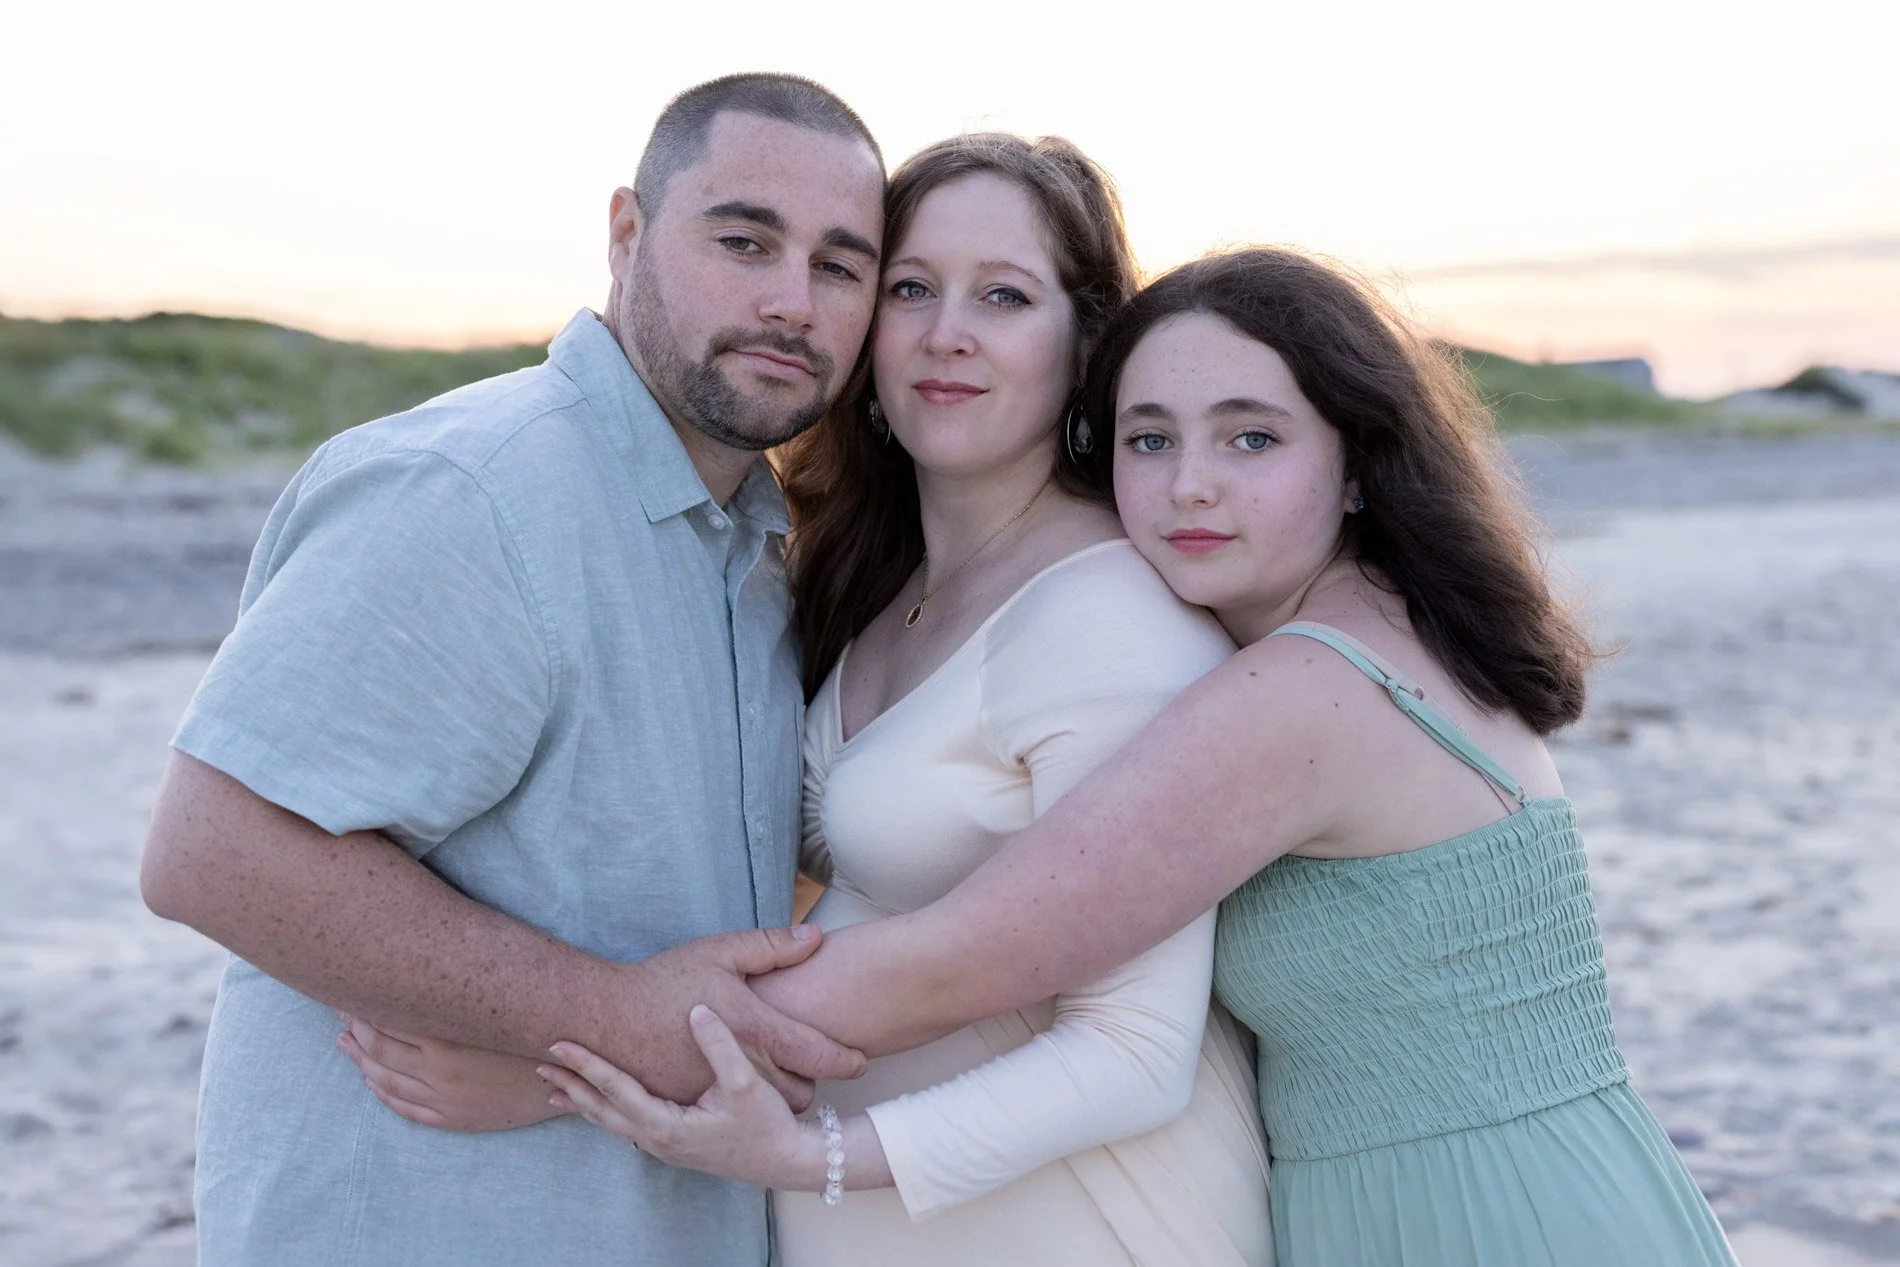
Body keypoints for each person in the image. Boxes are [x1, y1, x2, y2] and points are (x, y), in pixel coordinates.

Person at [544, 249, 1737, 1265]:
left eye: (1252, 437)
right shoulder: (1384, 630)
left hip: (1481, 1217)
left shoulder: (1310, 688)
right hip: (1502, 1184)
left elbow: (966, 954)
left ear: (1359, 464)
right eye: (1148, 438)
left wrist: (559, 1049)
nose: (1189, 486)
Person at [343, 134, 1273, 1266]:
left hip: (1076, 1225)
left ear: (1085, 341)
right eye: (911, 288)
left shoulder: (1113, 618)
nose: (947, 332)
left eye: (1004, 296)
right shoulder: (873, 585)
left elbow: (1133, 1050)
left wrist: (586, 1077)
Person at [136, 73, 885, 1266]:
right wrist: (610, 1016)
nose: (790, 301)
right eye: (743, 241)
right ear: (627, 234)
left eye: (839, 266)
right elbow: (213, 852)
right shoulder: (477, 493)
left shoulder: (751, 552)